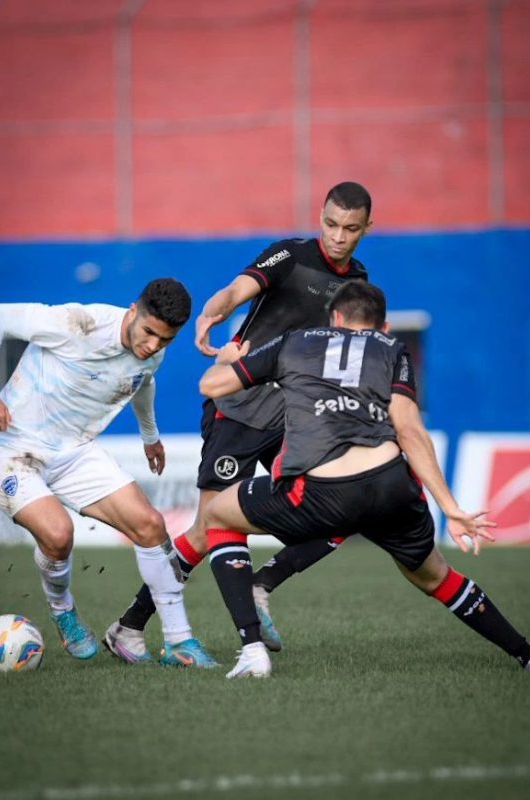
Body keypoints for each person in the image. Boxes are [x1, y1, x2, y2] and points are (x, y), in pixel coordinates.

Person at [197, 279, 530, 678]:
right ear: (383, 327)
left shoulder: (296, 341)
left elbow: (211, 386)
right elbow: (410, 430)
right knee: (437, 577)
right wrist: (451, 509)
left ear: (335, 318)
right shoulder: (393, 350)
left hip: (323, 490)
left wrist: (227, 358)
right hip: (391, 486)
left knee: (218, 516)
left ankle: (253, 650)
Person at [104, 181, 373, 661]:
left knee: (343, 510)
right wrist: (212, 314)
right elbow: (236, 291)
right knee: (209, 529)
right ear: (321, 217)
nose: (338, 236)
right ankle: (129, 626)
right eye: (331, 224)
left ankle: (261, 585)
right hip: (239, 407)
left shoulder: (360, 285)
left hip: (294, 420)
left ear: (366, 229)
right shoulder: (290, 255)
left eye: (350, 229)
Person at [0, 279, 217, 667]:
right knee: (58, 535)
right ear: (133, 311)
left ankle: (178, 642)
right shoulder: (78, 323)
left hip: (74, 451)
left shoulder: (152, 352)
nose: (153, 345)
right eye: (149, 332)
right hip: (9, 449)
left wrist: (150, 437)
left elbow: (143, 382)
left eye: (165, 340)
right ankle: (61, 609)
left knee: (151, 526)